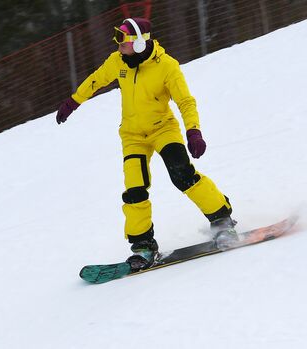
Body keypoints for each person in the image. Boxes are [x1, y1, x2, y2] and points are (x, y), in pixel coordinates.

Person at [56, 18, 237, 271]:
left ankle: (222, 220)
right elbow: (96, 80)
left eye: (123, 40)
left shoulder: (167, 67)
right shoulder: (118, 62)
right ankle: (143, 245)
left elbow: (185, 101)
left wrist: (193, 131)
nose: (118, 45)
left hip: (163, 129)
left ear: (140, 43)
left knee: (182, 175)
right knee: (135, 190)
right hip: (132, 136)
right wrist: (73, 102)